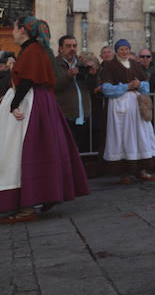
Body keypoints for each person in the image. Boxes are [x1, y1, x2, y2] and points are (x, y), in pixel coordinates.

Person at [0, 16, 89, 223]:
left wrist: (14, 105)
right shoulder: (38, 50)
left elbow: (28, 79)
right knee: (41, 148)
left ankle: (27, 206)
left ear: (23, 30)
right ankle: (44, 195)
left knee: (22, 151)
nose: (12, 31)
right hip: (39, 102)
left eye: (14, 27)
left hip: (31, 104)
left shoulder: (32, 50)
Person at [99, 39, 155, 184]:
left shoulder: (135, 65)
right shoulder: (110, 66)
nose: (124, 52)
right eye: (121, 49)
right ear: (117, 51)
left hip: (136, 108)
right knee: (122, 137)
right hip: (120, 107)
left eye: (127, 49)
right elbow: (106, 88)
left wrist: (139, 84)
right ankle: (124, 172)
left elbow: (146, 86)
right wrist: (126, 87)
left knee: (139, 137)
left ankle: (141, 169)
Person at [54, 35, 97, 152]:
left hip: (84, 113)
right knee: (65, 149)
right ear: (60, 48)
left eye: (74, 46)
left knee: (82, 149)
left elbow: (92, 87)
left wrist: (93, 74)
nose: (72, 48)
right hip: (65, 115)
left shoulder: (82, 63)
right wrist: (68, 76)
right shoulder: (53, 64)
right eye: (68, 46)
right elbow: (53, 87)